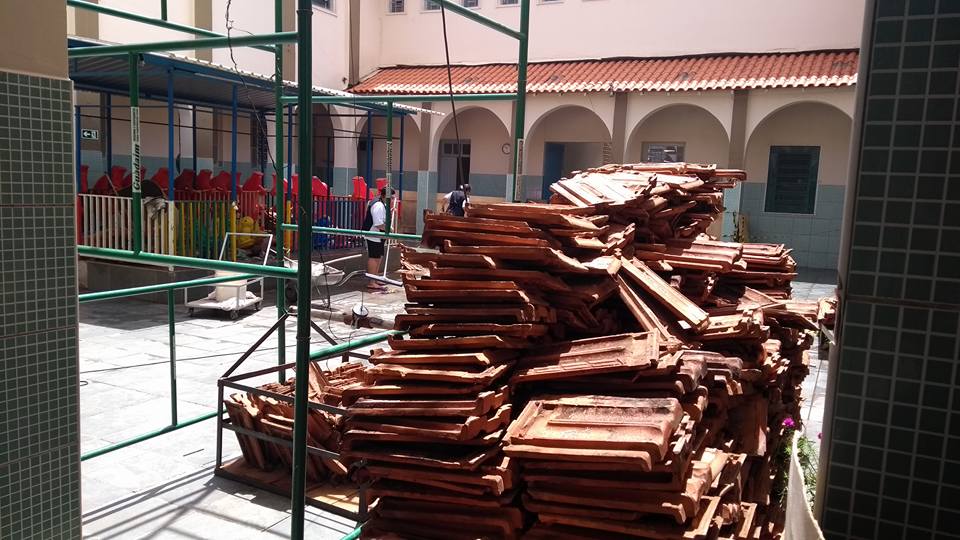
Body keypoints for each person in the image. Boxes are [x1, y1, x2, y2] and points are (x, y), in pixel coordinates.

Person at [362, 186, 388, 290]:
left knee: (379, 256)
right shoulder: (378, 205)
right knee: (374, 257)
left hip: (378, 235)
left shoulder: (382, 204)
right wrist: (388, 228)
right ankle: (371, 281)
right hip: (374, 234)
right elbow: (378, 223)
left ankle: (375, 278)